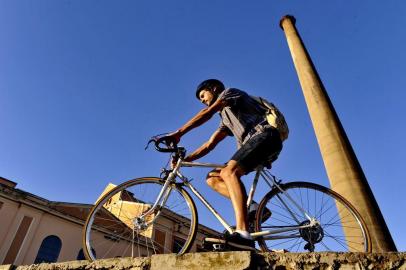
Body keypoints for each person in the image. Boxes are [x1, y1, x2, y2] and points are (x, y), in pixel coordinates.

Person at [168, 79, 283, 250]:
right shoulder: (225, 118)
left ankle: (243, 234)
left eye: (203, 95)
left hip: (265, 136)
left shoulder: (230, 93)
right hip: (254, 144)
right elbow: (210, 144)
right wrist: (187, 160)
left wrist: (179, 133)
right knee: (212, 177)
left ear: (213, 89)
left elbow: (207, 113)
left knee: (229, 172)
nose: (203, 100)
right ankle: (253, 208)